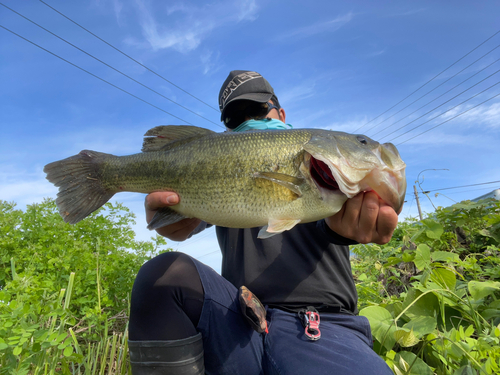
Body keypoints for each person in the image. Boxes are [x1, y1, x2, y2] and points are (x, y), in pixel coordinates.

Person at [128, 70, 399, 375]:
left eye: (256, 110)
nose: (247, 121)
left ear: (281, 113)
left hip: (319, 324)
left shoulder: (332, 172)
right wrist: (168, 221)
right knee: (161, 278)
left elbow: (350, 220)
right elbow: (179, 223)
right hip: (239, 320)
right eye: (235, 118)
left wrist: (350, 227)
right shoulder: (220, 160)